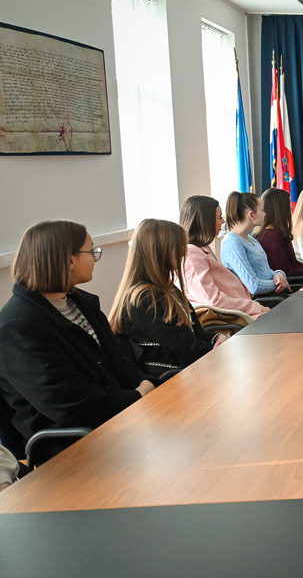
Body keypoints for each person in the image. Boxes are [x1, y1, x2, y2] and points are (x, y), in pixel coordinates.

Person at [0, 221, 157, 460]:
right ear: (70, 261)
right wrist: (137, 397)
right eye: (91, 251)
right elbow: (71, 404)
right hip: (72, 447)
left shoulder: (80, 301)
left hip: (116, 422)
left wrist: (147, 386)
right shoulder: (17, 326)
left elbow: (118, 358)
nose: (95, 258)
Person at [109, 219, 226, 374]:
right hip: (173, 379)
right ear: (162, 251)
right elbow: (189, 350)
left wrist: (218, 338)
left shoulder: (167, 288)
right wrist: (219, 346)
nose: (184, 253)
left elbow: (196, 333)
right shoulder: (146, 299)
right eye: (179, 247)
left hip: (188, 371)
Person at [179, 195, 269, 318]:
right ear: (205, 221)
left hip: (243, 311)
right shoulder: (191, 255)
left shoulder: (202, 248)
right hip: (235, 318)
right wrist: (255, 307)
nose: (223, 222)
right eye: (219, 217)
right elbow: (214, 301)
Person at [221, 192, 289, 297]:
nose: (265, 214)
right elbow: (253, 286)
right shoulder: (232, 242)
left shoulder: (252, 239)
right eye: (262, 210)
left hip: (273, 295)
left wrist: (279, 274)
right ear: (251, 215)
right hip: (262, 301)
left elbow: (267, 272)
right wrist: (281, 284)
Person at [256, 188, 303, 280]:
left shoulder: (277, 233)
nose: (292, 207)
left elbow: (294, 264)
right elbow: (287, 272)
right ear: (279, 207)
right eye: (289, 202)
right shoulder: (271, 238)